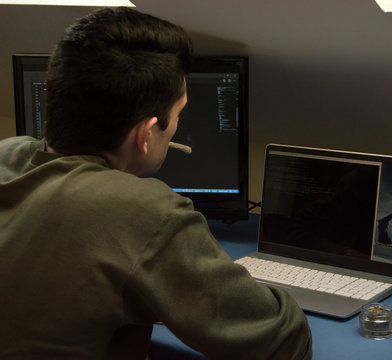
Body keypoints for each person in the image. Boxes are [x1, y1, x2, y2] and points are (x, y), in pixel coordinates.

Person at [0, 7, 311, 360]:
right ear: (146, 134)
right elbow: (282, 343)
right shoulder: (142, 211)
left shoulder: (6, 155)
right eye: (178, 114)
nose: (176, 126)